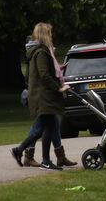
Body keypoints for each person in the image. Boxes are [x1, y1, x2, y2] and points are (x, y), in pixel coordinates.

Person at [10, 23, 70, 171]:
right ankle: (39, 158)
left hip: (43, 96)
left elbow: (44, 71)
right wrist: (59, 87)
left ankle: (33, 155)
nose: (51, 36)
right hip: (44, 96)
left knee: (46, 127)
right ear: (44, 34)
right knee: (43, 128)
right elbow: (44, 75)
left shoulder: (40, 51)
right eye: (49, 33)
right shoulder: (41, 52)